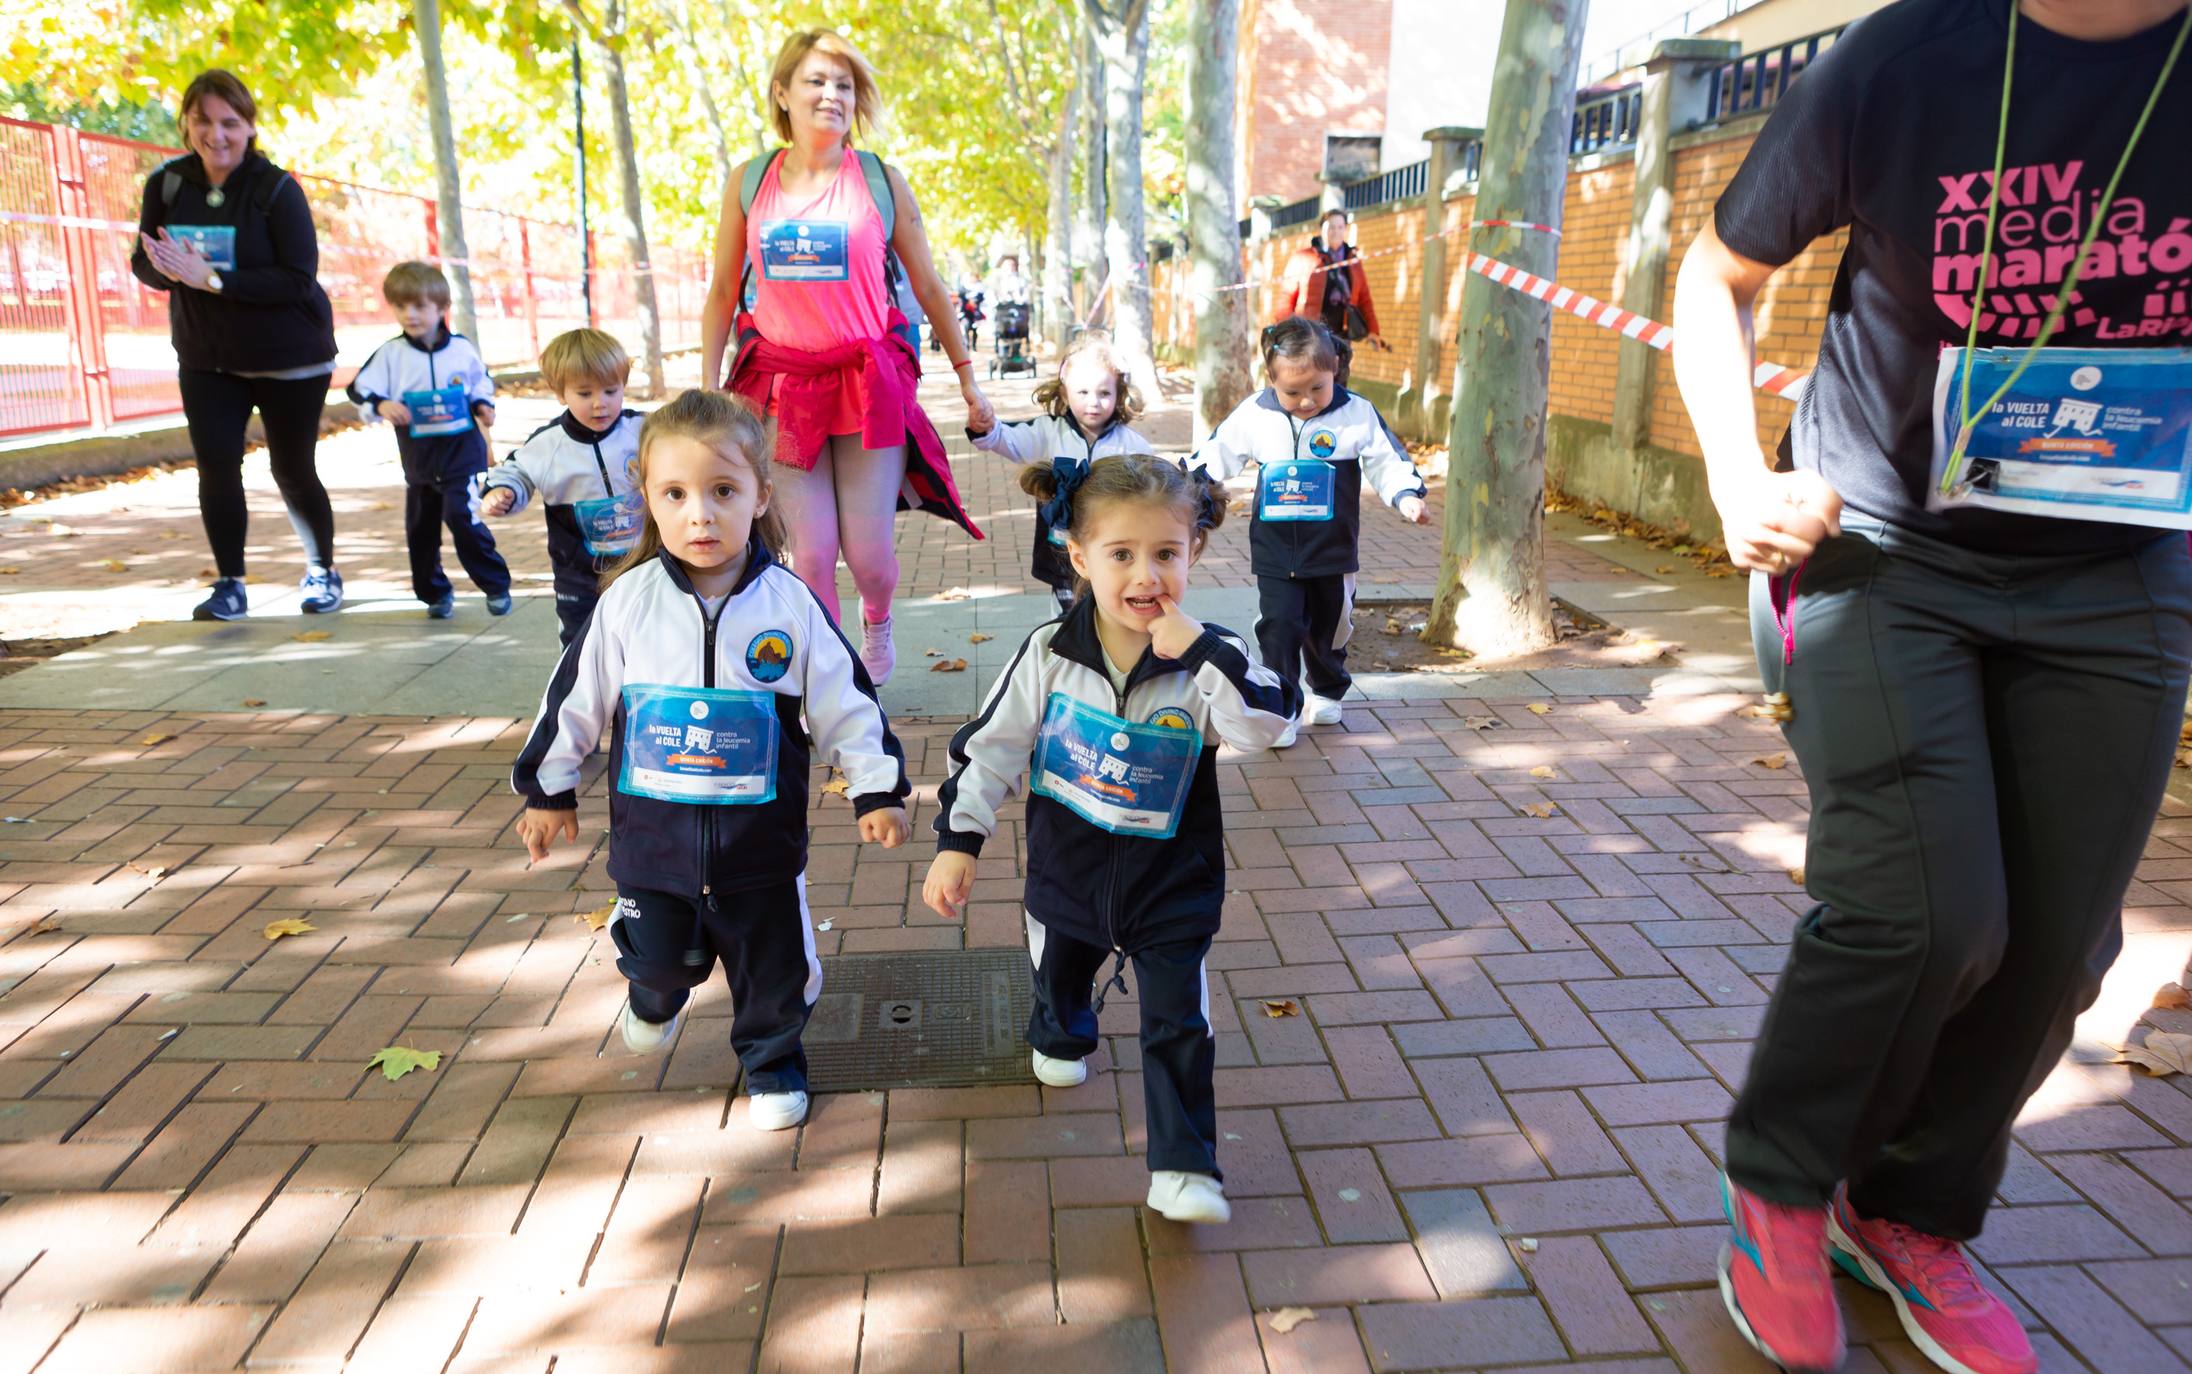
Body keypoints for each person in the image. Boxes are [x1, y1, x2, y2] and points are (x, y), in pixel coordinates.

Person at [1669, 3, 2192, 1372]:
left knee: (2062, 947)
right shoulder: (1908, 58)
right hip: (1884, 538)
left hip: (2121, 563)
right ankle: (1780, 1180)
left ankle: (1903, 1211)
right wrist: (1735, 476)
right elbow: (1711, 277)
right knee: (1922, 910)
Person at [513, 389, 912, 1133]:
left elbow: (845, 700)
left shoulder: (788, 605)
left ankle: (772, 1060)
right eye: (677, 494)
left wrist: (875, 786)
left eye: (723, 491)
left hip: (759, 846)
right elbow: (576, 698)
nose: (701, 513)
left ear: (761, 494)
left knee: (773, 970)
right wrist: (549, 786)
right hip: (652, 845)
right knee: (662, 961)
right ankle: (653, 991)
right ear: (649, 501)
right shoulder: (628, 602)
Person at [921, 455, 1297, 1224]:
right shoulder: (1048, 655)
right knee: (1061, 971)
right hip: (1068, 876)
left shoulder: (1207, 661)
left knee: (1178, 1024)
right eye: (1121, 554)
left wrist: (1202, 651)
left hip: (1173, 885)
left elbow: (1267, 727)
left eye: (1166, 553)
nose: (1145, 575)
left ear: (1193, 553)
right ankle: (1061, 1030)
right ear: (1080, 556)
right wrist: (960, 838)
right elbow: (989, 747)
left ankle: (1185, 1167)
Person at [701, 27, 992, 687]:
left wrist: (969, 380)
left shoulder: (881, 180)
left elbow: (927, 286)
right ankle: (833, 679)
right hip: (782, 388)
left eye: (843, 84)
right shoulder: (750, 183)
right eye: (815, 81)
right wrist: (706, 392)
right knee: (810, 556)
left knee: (870, 559)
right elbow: (723, 290)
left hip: (866, 387)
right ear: (783, 93)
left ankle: (878, 618)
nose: (831, 94)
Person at [130, 68, 342, 623]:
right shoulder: (168, 184)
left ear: (249, 127)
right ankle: (230, 584)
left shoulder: (276, 188)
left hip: (289, 357)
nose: (216, 134)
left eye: (230, 122)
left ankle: (323, 571)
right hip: (207, 358)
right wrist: (169, 270)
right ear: (186, 124)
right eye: (203, 120)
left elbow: (299, 278)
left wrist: (213, 279)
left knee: (292, 468)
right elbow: (143, 262)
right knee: (216, 467)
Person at [1195, 317, 1428, 746]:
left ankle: (1325, 687)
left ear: (1335, 367)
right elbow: (1217, 452)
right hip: (1275, 550)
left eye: (1317, 388)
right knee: (1279, 627)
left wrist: (1405, 494)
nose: (1305, 402)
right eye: (1292, 392)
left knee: (1330, 627)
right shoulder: (1256, 413)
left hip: (1333, 550)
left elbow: (1386, 459)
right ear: (1271, 378)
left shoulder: (1355, 413)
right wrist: (1187, 480)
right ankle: (1282, 708)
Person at [347, 262, 511, 620]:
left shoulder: (461, 349)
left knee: (461, 516)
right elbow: (360, 388)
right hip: (419, 457)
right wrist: (382, 404)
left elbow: (480, 382)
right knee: (421, 529)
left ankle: (495, 584)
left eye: (419, 306)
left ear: (440, 308)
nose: (410, 314)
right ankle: (434, 593)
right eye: (401, 306)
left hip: (460, 453)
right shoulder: (391, 354)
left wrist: (483, 405)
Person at [968, 331, 1157, 613]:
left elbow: (1153, 491)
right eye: (1083, 392)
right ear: (1064, 392)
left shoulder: (1132, 444)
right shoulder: (1048, 431)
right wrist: (986, 427)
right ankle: (1068, 650)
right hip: (1062, 548)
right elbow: (1006, 440)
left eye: (1104, 393)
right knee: (1067, 615)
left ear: (1119, 395)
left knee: (1110, 607)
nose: (1093, 401)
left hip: (1116, 547)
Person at [481, 328, 643, 644]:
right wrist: (505, 493)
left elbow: (684, 446)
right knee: (580, 648)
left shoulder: (643, 430)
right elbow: (516, 472)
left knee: (646, 640)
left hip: (644, 567)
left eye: (611, 391)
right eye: (585, 394)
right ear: (560, 393)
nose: (601, 404)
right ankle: (580, 693)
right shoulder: (548, 445)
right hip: (579, 577)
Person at [1276, 208, 1381, 345]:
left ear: (1345, 230)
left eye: (1340, 227)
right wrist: (1287, 329)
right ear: (1321, 229)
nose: (1336, 231)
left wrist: (1373, 330)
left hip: (1342, 335)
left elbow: (1364, 299)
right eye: (1331, 227)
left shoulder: (1353, 261)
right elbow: (1286, 297)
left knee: (1340, 366)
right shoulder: (1303, 258)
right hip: (1311, 334)